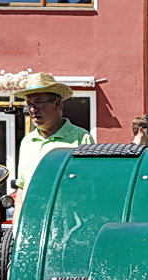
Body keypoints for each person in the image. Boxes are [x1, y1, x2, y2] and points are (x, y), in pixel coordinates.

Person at [13, 76, 93, 207]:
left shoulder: (81, 138)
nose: (33, 109)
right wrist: (17, 224)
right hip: (32, 219)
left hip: (67, 220)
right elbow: (21, 187)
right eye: (29, 104)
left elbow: (89, 186)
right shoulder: (28, 142)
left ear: (57, 104)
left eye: (38, 102)